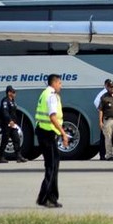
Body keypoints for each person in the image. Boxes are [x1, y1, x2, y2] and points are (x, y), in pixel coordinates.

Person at [35, 74, 69, 208]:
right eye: (60, 83)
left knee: (52, 165)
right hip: (47, 134)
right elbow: (53, 117)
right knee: (52, 166)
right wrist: (63, 133)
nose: (61, 85)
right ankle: (46, 198)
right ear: (54, 83)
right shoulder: (51, 96)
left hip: (44, 133)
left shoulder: (45, 93)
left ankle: (49, 197)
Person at [0, 85, 28, 163]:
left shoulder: (13, 101)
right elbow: (5, 112)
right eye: (13, 92)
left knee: (17, 139)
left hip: (13, 125)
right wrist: (9, 120)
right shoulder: (5, 101)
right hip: (6, 124)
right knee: (4, 141)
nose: (15, 94)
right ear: (9, 93)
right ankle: (1, 157)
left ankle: (18, 156)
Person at [94, 84, 109, 160]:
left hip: (111, 118)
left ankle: (108, 154)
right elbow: (96, 102)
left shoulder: (110, 93)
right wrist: (101, 110)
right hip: (105, 117)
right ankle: (102, 155)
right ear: (105, 85)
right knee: (104, 137)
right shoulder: (103, 94)